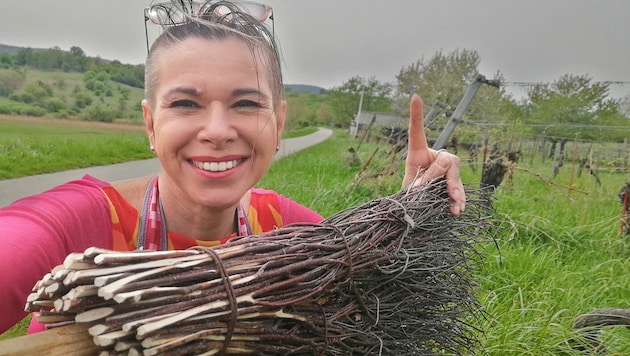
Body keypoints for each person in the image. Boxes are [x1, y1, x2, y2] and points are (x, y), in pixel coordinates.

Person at [0, 0, 465, 334]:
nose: (218, 130)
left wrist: (408, 214)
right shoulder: (75, 224)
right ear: (150, 123)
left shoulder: (286, 229)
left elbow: (374, 298)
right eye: (185, 103)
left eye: (246, 103)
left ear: (279, 122)